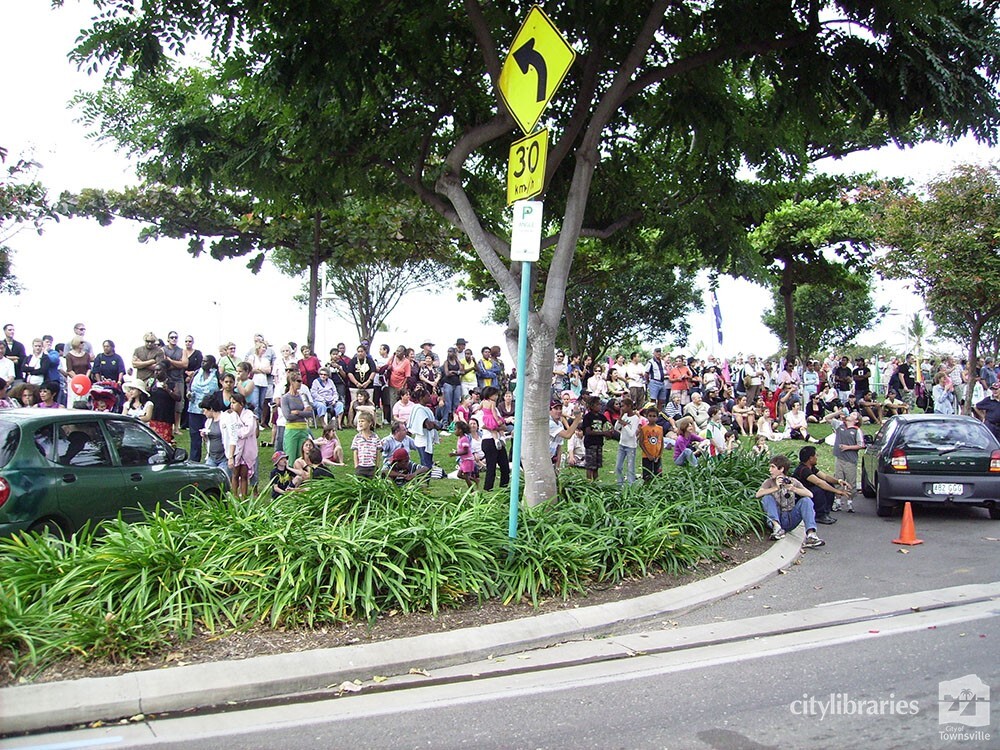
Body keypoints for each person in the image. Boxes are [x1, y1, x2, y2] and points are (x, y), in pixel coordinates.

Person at [756, 454, 826, 548]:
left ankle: (811, 535)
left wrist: (793, 489)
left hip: (790, 517)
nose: (770, 470)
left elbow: (810, 494)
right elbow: (758, 494)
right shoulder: (769, 482)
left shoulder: (792, 481)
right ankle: (777, 528)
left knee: (806, 500)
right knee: (766, 497)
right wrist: (776, 488)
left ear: (781, 469)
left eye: (773, 467)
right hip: (776, 516)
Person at [793, 445, 852, 526]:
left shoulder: (811, 467)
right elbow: (819, 482)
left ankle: (825, 513)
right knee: (819, 490)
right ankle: (819, 515)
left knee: (829, 485)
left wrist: (838, 481)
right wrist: (838, 491)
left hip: (809, 490)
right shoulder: (803, 470)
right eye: (815, 455)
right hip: (801, 495)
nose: (817, 457)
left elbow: (825, 477)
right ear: (810, 458)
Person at [832, 411, 865, 513]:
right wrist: (838, 412)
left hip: (850, 460)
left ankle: (850, 502)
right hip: (839, 458)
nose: (851, 414)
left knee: (851, 481)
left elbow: (861, 445)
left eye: (854, 414)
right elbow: (827, 418)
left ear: (856, 420)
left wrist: (848, 447)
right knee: (838, 479)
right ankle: (837, 501)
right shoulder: (840, 426)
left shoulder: (856, 430)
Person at [477, 386, 510, 488]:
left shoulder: (495, 408)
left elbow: (502, 425)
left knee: (505, 467)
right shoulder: (481, 411)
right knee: (491, 468)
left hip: (498, 438)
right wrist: (496, 427)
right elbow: (483, 425)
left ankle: (503, 488)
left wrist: (499, 426)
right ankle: (488, 489)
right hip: (488, 441)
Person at [407, 386, 444, 471]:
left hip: (427, 440)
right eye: (427, 396)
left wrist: (434, 424)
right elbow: (428, 426)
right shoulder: (419, 409)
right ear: (421, 398)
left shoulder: (426, 409)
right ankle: (424, 482)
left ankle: (426, 481)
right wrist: (434, 424)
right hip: (422, 441)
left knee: (428, 463)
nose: (430, 397)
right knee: (426, 464)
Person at [280, 370, 313, 460]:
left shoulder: (303, 396)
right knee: (290, 455)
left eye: (301, 381)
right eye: (298, 381)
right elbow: (288, 416)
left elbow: (310, 413)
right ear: (291, 382)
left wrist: (298, 412)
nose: (300, 383)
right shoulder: (285, 398)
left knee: (302, 456)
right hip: (291, 429)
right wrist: (303, 412)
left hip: (303, 429)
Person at [580, 395, 614, 481]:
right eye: (597, 404)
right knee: (590, 465)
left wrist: (610, 433)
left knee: (596, 465)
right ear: (591, 406)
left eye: (600, 404)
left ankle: (595, 481)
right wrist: (603, 433)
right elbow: (588, 431)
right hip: (590, 443)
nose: (599, 406)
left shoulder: (601, 417)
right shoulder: (588, 417)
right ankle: (588, 481)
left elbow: (608, 426)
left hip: (599, 443)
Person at [614, 397, 640, 486]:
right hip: (622, 444)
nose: (622, 408)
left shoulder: (635, 418)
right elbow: (616, 428)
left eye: (623, 406)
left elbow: (632, 434)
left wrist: (624, 424)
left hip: (631, 446)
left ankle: (630, 486)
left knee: (630, 468)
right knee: (618, 466)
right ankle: (620, 485)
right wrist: (620, 418)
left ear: (629, 406)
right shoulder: (624, 416)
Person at [351, 412, 382, 478]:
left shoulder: (375, 437)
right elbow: (355, 452)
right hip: (361, 467)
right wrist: (356, 466)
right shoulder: (357, 437)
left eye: (362, 421)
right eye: (359, 421)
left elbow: (378, 452)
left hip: (372, 467)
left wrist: (377, 466)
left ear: (370, 423)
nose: (360, 423)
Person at [638, 406, 665, 480]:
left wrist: (659, 455)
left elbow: (661, 442)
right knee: (647, 475)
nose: (652, 418)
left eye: (654, 416)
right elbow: (641, 442)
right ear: (646, 416)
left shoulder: (660, 428)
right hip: (646, 456)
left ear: (657, 417)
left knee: (658, 475)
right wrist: (648, 454)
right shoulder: (644, 428)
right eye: (650, 416)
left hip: (657, 456)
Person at [451, 421, 479, 487]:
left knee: (466, 476)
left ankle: (471, 491)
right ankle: (475, 480)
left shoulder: (464, 439)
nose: (454, 431)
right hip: (464, 460)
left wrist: (455, 454)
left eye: (455, 429)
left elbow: (466, 451)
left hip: (468, 460)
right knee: (459, 475)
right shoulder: (460, 439)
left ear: (460, 430)